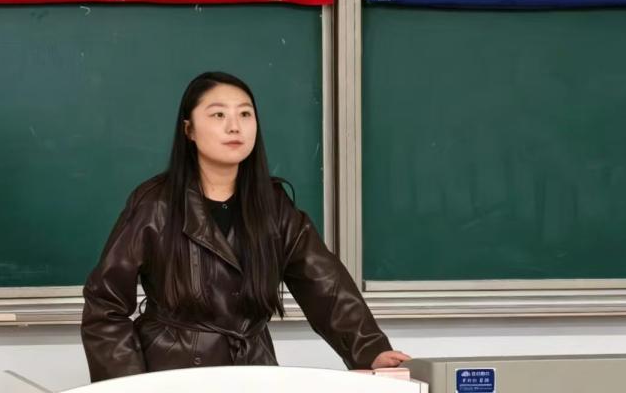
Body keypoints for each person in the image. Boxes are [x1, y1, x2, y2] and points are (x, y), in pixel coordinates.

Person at [81, 71, 410, 381]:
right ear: (189, 130)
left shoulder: (273, 205)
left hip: (253, 369)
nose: (234, 126)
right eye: (218, 115)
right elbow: (105, 306)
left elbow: (324, 284)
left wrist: (370, 350)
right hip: (172, 374)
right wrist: (128, 386)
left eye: (245, 114)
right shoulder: (155, 204)